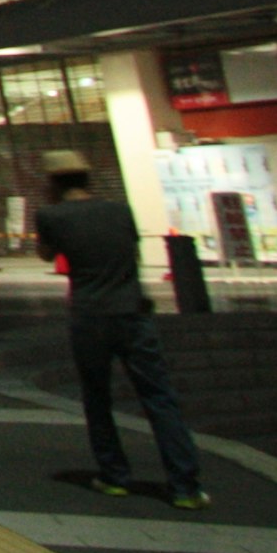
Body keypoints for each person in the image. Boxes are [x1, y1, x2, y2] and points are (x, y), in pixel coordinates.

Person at [34, 152, 207, 509]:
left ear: (52, 183)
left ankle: (114, 476)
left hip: (89, 316)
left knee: (97, 399)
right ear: (87, 179)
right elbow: (131, 253)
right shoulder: (120, 211)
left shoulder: (50, 216)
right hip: (133, 313)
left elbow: (46, 255)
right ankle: (185, 487)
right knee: (159, 398)